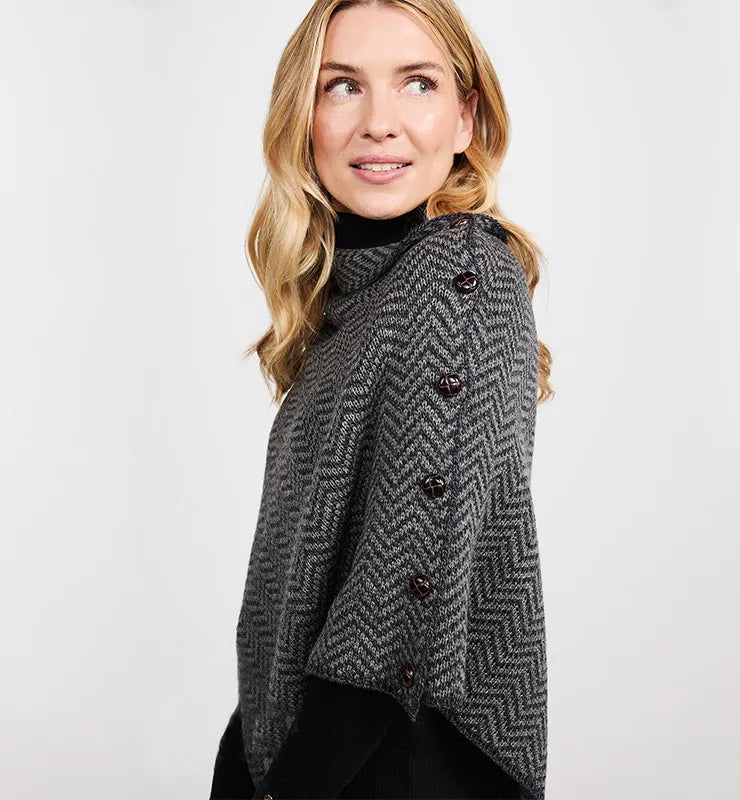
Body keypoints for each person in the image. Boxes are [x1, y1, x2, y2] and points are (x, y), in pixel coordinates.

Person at [209, 1, 554, 798]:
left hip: (391, 766)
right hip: (324, 754)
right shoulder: (357, 300)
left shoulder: (460, 278)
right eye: (343, 86)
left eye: (417, 83)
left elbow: (398, 604)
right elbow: (306, 589)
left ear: (465, 119)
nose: (379, 123)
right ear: (305, 117)